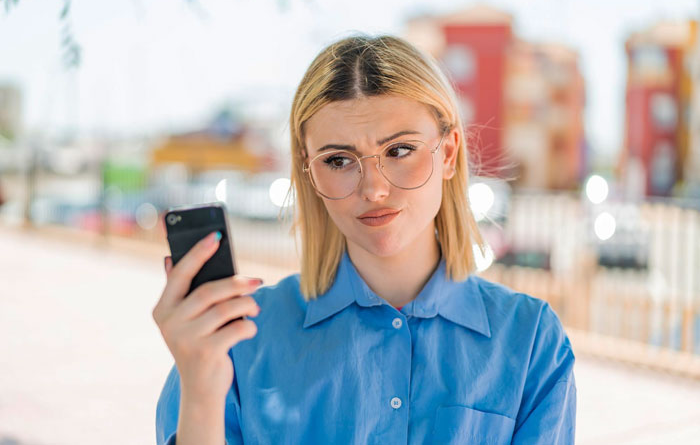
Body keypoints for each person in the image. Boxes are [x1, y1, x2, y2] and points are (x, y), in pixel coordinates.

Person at [153, 34, 576, 444]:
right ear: (308, 171)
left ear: (447, 154)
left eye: (399, 151)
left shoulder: (530, 341)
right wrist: (203, 392)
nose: (373, 189)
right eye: (338, 160)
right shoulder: (235, 341)